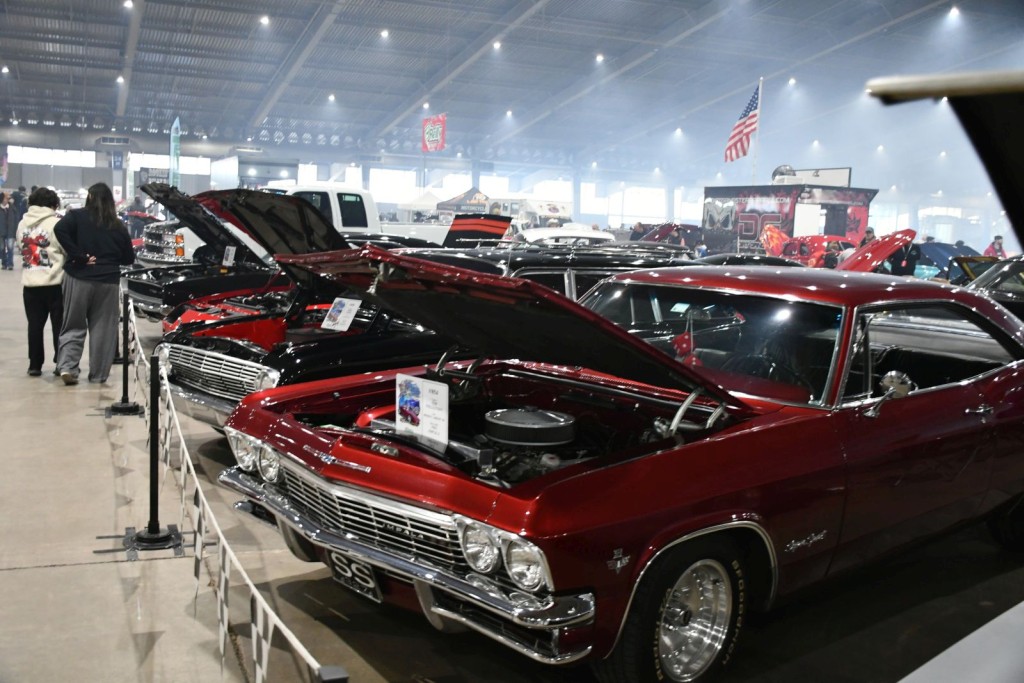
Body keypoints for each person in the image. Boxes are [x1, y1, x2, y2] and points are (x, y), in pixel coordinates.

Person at [54, 182, 136, 385]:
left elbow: (59, 229)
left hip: (79, 277)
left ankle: (68, 367)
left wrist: (78, 255)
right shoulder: (118, 226)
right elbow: (128, 258)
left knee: (73, 324)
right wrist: (109, 258)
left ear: (89, 196)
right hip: (108, 281)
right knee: (103, 329)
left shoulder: (76, 216)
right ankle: (98, 374)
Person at [17, 187, 66, 376]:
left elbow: (21, 246)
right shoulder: (56, 223)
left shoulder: (22, 223)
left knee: (35, 326)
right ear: (54, 204)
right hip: (55, 283)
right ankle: (61, 363)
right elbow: (65, 248)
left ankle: (35, 365)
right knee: (58, 326)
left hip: (30, 284)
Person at [1, 191, 19, 270]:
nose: (7, 200)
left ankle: (10, 264)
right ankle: (4, 263)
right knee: (1, 248)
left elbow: (16, 219)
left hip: (11, 231)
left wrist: (16, 230)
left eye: (8, 198)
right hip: (1, 232)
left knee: (10, 248)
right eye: (6, 198)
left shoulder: (12, 207)